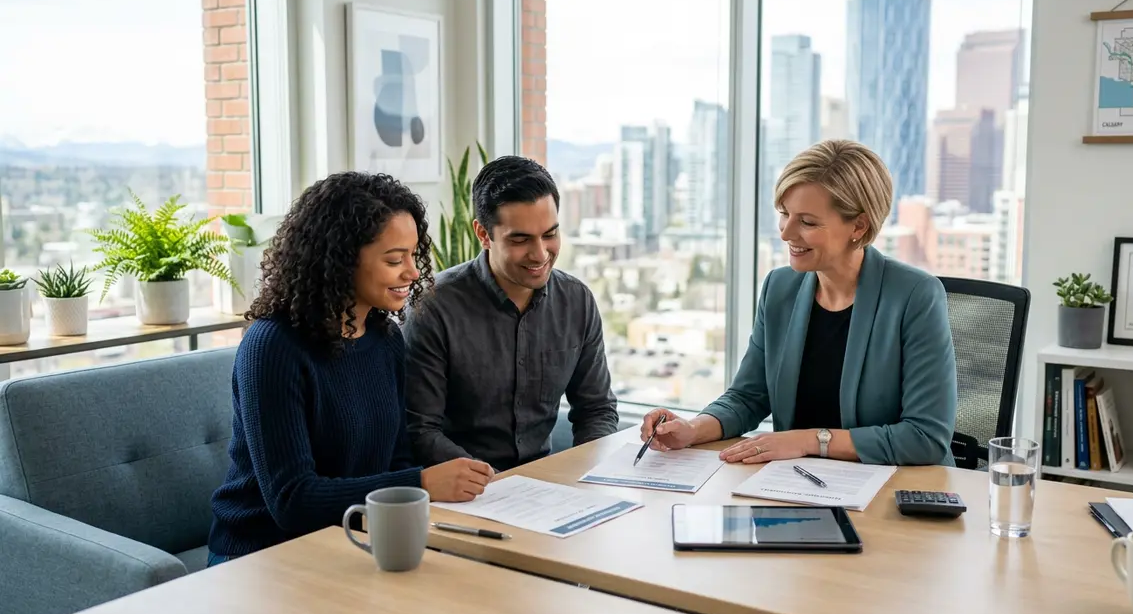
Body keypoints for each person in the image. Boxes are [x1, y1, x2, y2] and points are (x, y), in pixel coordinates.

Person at [207, 172, 494, 566]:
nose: (411, 272)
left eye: (413, 255)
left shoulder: (385, 339)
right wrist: (421, 483)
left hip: (353, 541)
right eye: (395, 259)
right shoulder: (272, 347)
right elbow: (291, 501)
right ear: (341, 259)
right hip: (262, 557)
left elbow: (396, 459)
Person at [639, 139, 957, 467]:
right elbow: (748, 397)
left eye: (807, 222)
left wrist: (809, 440)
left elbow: (925, 437)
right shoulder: (780, 287)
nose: (786, 233)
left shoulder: (915, 295)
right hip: (797, 484)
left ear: (858, 225)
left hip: (892, 493)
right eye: (784, 214)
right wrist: (692, 429)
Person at [404, 155, 619, 471]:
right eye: (520, 240)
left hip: (543, 488)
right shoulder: (433, 306)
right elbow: (419, 430)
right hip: (460, 490)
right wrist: (492, 482)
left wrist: (585, 474)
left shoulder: (577, 301)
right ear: (483, 234)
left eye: (550, 234)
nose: (540, 253)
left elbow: (596, 409)